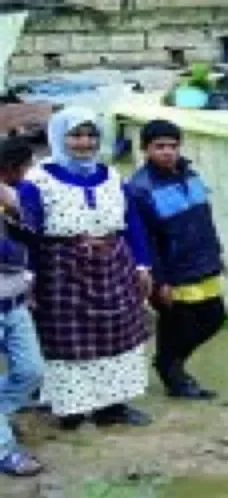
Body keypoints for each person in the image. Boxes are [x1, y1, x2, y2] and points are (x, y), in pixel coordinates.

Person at [17, 107, 153, 430]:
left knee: (116, 335)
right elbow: (27, 232)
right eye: (76, 135)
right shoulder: (38, 180)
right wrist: (29, 276)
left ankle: (112, 407)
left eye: (91, 135)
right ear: (59, 138)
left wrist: (142, 264)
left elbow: (132, 222)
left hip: (113, 266)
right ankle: (70, 409)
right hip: (61, 271)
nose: (85, 142)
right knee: (68, 341)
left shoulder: (111, 177)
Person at [127, 120, 226, 400]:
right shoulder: (139, 188)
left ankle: (168, 362)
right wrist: (161, 279)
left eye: (172, 146)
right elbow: (146, 239)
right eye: (160, 146)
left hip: (203, 262)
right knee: (176, 324)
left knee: (214, 318)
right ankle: (174, 375)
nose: (167, 152)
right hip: (171, 270)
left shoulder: (191, 175)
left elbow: (204, 219)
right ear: (145, 149)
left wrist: (218, 254)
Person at [0, 138, 45, 476]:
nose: (27, 172)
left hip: (14, 301)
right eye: (25, 166)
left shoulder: (17, 195)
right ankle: (5, 452)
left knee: (31, 371)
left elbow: (33, 231)